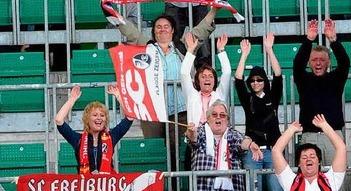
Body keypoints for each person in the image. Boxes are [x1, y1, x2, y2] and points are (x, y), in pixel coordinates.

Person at [108, 4, 217, 173]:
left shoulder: (182, 47)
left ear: (173, 30)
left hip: (181, 111)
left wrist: (214, 11)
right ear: (154, 31)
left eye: (166, 26)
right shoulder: (146, 46)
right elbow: (130, 31)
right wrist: (112, 13)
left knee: (181, 152)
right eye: (158, 27)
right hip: (152, 113)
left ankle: (181, 190)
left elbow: (201, 30)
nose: (162, 29)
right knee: (155, 152)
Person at [235, 33, 287, 191]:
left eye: (259, 79)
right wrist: (244, 55)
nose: (256, 82)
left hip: (273, 152)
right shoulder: (248, 100)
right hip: (253, 152)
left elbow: (279, 75)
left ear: (265, 81)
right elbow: (238, 80)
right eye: (253, 80)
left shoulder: (272, 96)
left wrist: (269, 50)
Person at [185, 101, 262, 191]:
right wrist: (191, 131)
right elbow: (193, 138)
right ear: (208, 119)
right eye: (214, 115)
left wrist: (251, 144)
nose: (218, 118)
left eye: (222, 115)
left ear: (227, 120)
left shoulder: (232, 134)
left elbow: (242, 141)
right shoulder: (202, 132)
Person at [293, 18, 350, 161]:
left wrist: (333, 40)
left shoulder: (336, 78)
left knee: (335, 179)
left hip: (333, 135)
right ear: (309, 62)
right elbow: (297, 64)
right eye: (314, 60)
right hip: (309, 137)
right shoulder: (303, 79)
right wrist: (309, 40)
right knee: (309, 180)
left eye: (322, 60)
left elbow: (345, 62)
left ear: (329, 62)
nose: (318, 63)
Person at [181, 31, 231, 172]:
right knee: (193, 178)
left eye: (210, 76)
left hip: (217, 140)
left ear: (215, 80)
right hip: (195, 140)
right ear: (197, 80)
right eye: (203, 76)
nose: (207, 79)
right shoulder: (191, 95)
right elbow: (184, 73)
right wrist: (190, 51)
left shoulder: (220, 95)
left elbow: (226, 73)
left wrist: (221, 51)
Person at [55, 85, 132, 174]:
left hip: (107, 185)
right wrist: (72, 99)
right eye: (95, 115)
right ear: (87, 119)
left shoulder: (112, 136)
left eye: (102, 116)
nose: (99, 118)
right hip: (85, 186)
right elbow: (59, 119)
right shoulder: (77, 139)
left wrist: (119, 96)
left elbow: (130, 117)